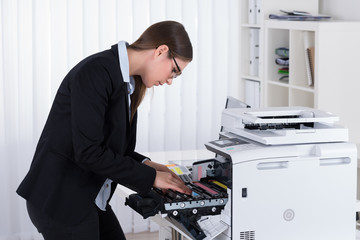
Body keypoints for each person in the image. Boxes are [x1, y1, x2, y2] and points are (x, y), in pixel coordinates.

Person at [16, 20, 193, 240]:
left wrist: (151, 166)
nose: (170, 81)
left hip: (87, 197)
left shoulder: (128, 83)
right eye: (174, 71)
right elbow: (89, 152)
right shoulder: (96, 72)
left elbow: (115, 152)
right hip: (61, 201)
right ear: (161, 51)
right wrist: (151, 177)